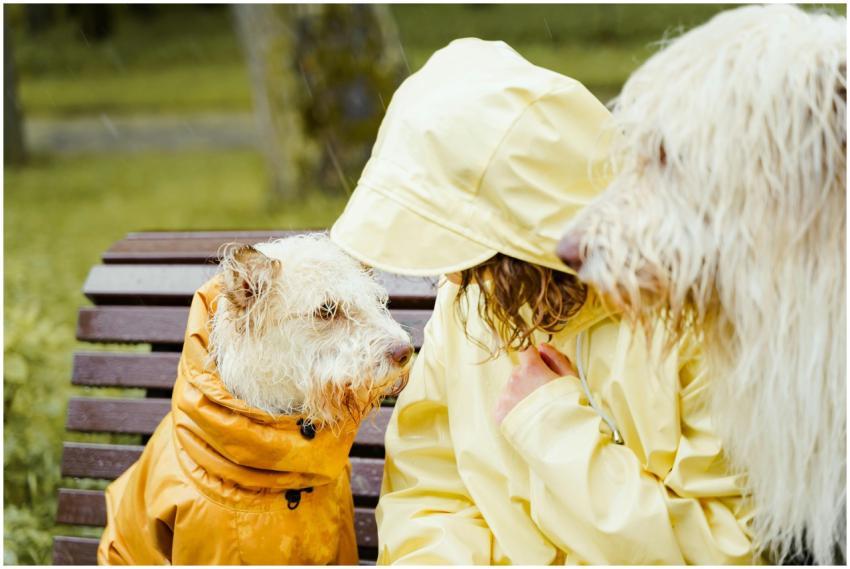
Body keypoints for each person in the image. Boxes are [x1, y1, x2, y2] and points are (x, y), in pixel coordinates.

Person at [331, 38, 756, 564]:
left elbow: (725, 550)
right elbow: (427, 495)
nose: (452, 276)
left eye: (465, 249)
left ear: (519, 240)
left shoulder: (701, 325)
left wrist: (552, 425)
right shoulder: (470, 303)